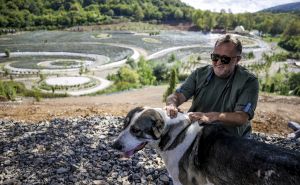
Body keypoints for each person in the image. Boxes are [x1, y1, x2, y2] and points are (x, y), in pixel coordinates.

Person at [165, 34, 259, 137]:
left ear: (237, 60)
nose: (218, 62)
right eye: (215, 57)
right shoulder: (199, 74)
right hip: (197, 131)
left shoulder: (248, 81)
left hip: (231, 137)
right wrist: (172, 104)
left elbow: (241, 117)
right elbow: (178, 95)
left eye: (225, 59)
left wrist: (212, 117)